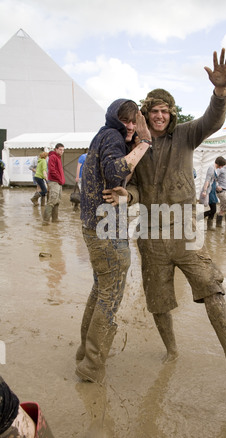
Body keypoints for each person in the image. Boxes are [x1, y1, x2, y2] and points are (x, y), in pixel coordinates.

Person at [104, 49, 226, 392]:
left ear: (172, 114)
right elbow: (138, 188)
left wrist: (220, 93)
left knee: (212, 288)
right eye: (153, 111)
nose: (159, 116)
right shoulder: (137, 145)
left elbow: (212, 121)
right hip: (150, 235)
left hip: (185, 232)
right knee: (158, 302)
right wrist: (129, 196)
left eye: (165, 111)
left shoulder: (186, 134)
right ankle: (171, 351)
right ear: (145, 113)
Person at [75, 99, 151, 383]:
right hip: (107, 232)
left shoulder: (103, 135)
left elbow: (118, 176)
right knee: (109, 296)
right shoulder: (112, 136)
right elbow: (115, 172)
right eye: (126, 120)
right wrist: (144, 143)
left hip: (95, 228)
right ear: (115, 119)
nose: (130, 126)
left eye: (134, 121)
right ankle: (92, 365)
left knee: (100, 291)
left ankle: (85, 351)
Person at [201, 156, 226, 230]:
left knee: (213, 209)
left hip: (213, 190)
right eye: (222, 166)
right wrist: (205, 191)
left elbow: (213, 180)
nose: (221, 168)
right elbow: (207, 180)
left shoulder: (215, 169)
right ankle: (198, 218)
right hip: (210, 191)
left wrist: (217, 186)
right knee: (213, 209)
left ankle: (209, 226)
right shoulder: (211, 168)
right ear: (220, 164)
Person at [43, 143, 65, 224]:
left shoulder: (58, 158)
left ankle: (55, 219)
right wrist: (59, 179)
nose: (62, 151)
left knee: (57, 201)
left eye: (63, 150)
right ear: (56, 149)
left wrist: (62, 180)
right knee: (52, 200)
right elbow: (52, 170)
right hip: (54, 182)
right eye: (60, 149)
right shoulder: (53, 157)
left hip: (58, 182)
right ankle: (45, 221)